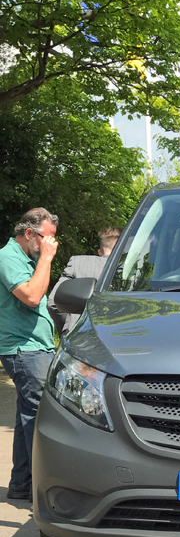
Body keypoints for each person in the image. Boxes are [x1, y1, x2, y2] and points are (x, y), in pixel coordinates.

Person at [0, 208, 59, 500]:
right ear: (29, 234)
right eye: (47, 239)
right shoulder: (8, 257)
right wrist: (46, 259)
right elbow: (33, 296)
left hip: (34, 348)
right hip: (26, 350)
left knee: (28, 414)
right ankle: (42, 490)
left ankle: (22, 484)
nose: (51, 245)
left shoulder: (25, 259)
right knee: (41, 419)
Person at [48, 226, 122, 335]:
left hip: (76, 337)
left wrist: (67, 328)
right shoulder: (130, 271)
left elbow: (53, 303)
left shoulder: (77, 263)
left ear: (99, 252)